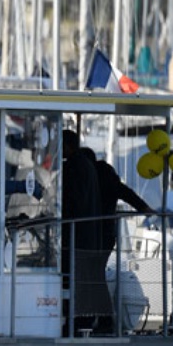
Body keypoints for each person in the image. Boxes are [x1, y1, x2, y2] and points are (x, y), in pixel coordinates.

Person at [60, 129, 110, 335]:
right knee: (89, 279)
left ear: (67, 146)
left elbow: (73, 201)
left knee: (77, 279)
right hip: (89, 234)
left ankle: (79, 320)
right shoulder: (86, 165)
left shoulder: (74, 167)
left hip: (77, 234)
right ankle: (90, 319)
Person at [80, 146, 153, 257]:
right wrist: (143, 208)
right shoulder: (106, 174)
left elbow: (125, 192)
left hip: (91, 231)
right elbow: (126, 193)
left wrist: (143, 207)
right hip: (105, 229)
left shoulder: (99, 175)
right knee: (97, 265)